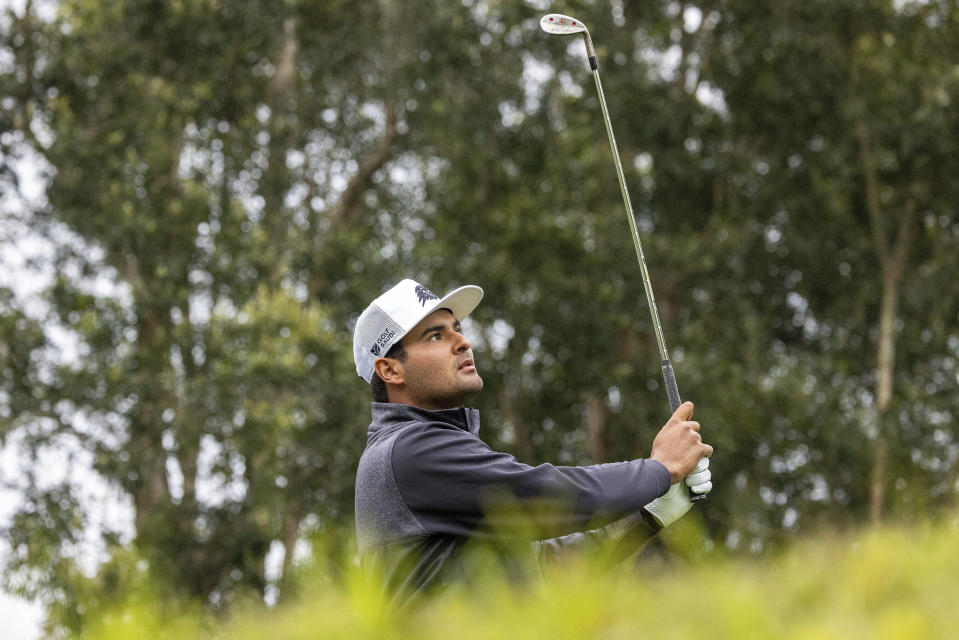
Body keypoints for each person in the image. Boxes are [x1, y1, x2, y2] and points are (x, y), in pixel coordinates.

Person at [352, 278, 713, 608]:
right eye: (436, 336)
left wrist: (650, 514)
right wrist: (659, 469)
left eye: (457, 329)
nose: (462, 342)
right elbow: (551, 497)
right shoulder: (411, 450)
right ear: (391, 370)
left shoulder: (423, 451)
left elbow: (544, 569)